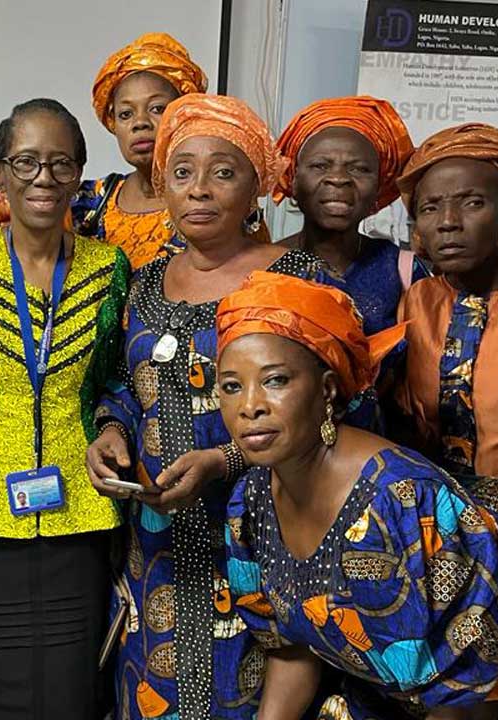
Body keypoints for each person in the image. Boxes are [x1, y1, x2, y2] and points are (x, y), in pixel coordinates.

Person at [84, 93, 332, 720]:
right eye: (182, 172)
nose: (199, 189)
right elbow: (123, 383)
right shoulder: (145, 283)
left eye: (223, 172)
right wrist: (111, 432)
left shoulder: (296, 280)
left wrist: (225, 461)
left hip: (263, 534)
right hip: (157, 548)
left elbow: (338, 410)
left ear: (257, 187)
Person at [216, 271, 498, 718]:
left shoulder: (404, 501)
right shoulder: (252, 501)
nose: (249, 406)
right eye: (231, 386)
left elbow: (474, 697)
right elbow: (292, 650)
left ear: (327, 389)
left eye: (275, 380)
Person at [0, 98, 128, 720]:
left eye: (61, 163)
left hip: (81, 514)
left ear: (79, 175)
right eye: (27, 162)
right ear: (0, 173)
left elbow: (114, 379)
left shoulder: (109, 268)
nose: (44, 178)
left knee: (72, 692)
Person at [390, 123, 498, 479]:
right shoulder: (420, 301)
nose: (448, 222)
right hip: (434, 503)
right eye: (430, 208)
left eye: (473, 203)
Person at [274, 96, 427, 335]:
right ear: (292, 180)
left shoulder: (402, 269)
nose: (338, 178)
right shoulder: (263, 266)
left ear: (379, 187)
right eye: (320, 166)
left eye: (359, 169)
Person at [76, 32, 208, 268]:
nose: (140, 123)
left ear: (184, 115)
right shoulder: (89, 202)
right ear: (113, 123)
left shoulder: (209, 202)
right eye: (126, 114)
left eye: (157, 109)